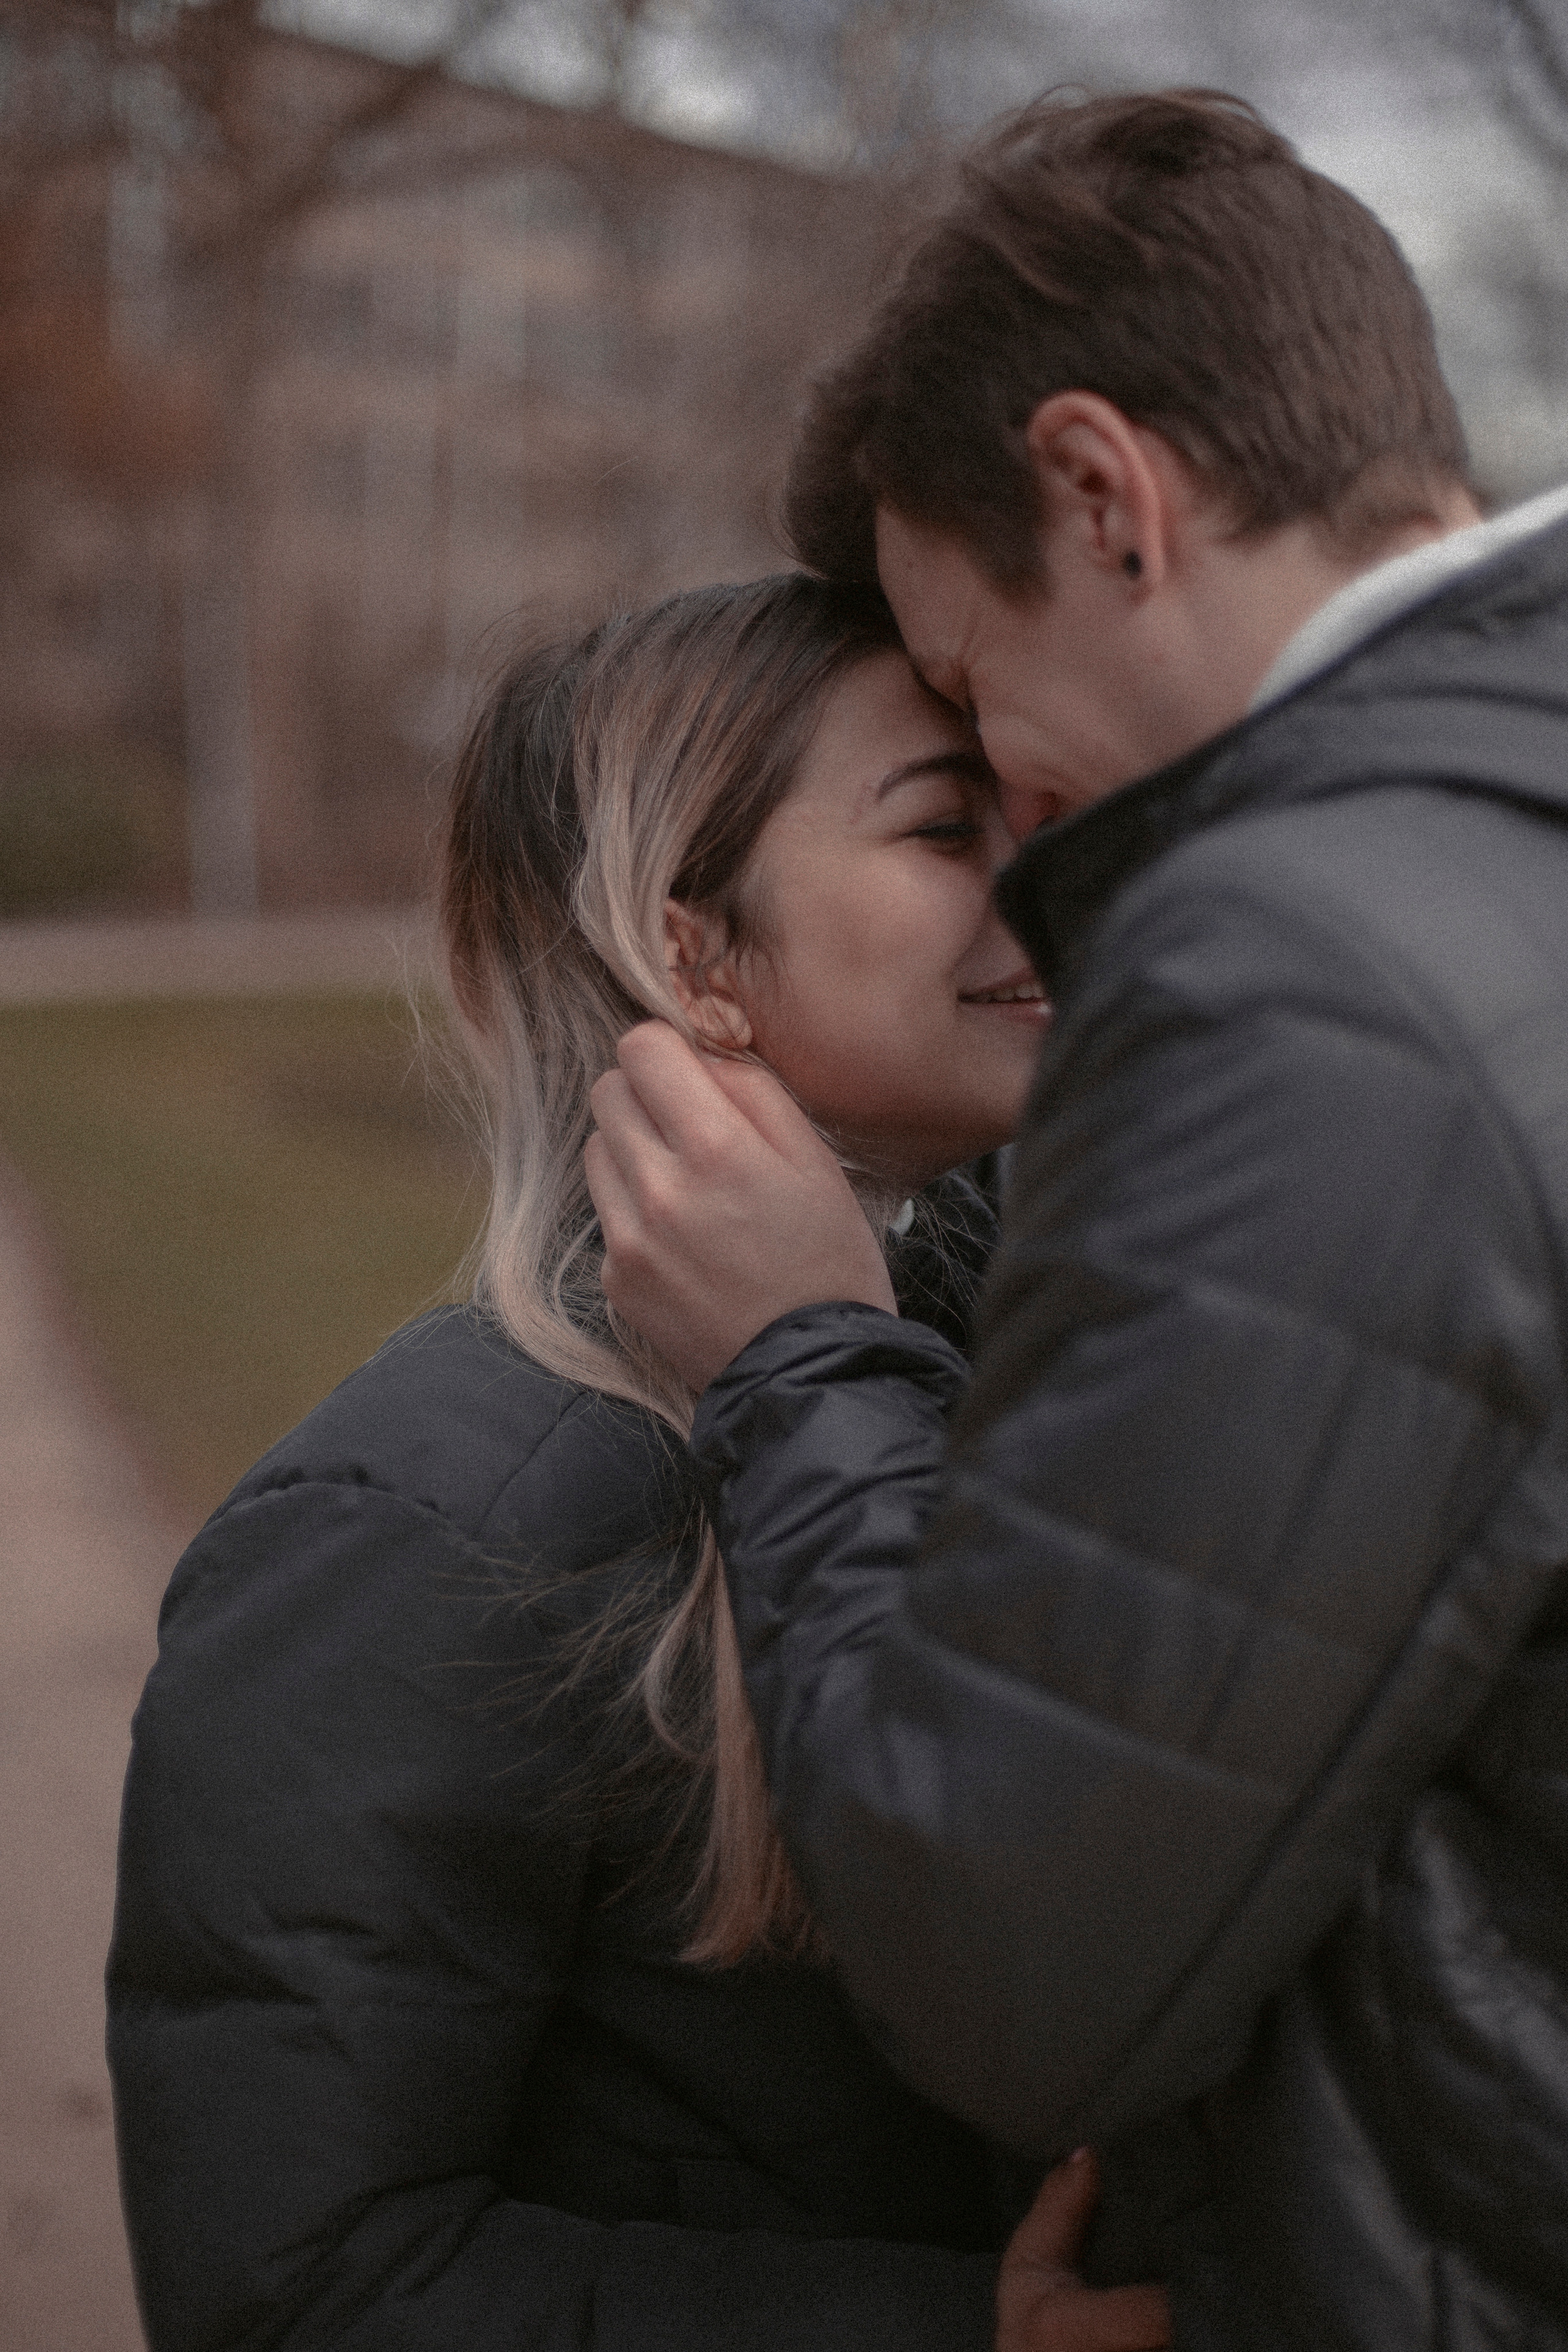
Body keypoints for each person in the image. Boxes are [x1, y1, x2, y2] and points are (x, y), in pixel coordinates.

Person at [584, 92, 1568, 2350]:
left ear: (1109, 498)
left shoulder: (1309, 972)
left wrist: (798, 1359)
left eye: (963, 684)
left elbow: (1014, 1962)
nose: (1015, 807)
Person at [106, 573, 1171, 2352]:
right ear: (696, 958)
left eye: (1036, 809)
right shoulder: (420, 1530)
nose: (1048, 876)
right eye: (943, 825)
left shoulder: (1049, 1376)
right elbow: (297, 2287)